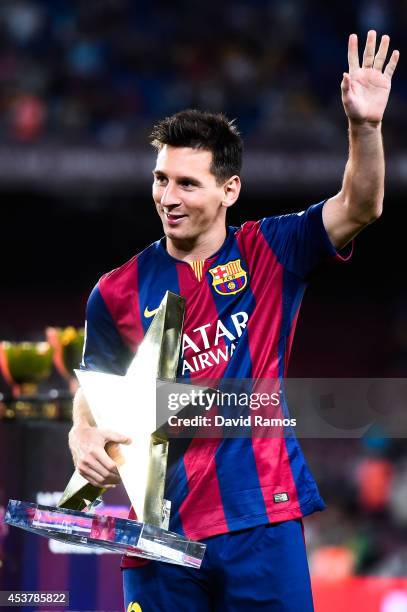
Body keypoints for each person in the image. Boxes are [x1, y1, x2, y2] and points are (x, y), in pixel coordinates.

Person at [69, 31, 399, 611]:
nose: (168, 196)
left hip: (261, 521)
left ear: (229, 189)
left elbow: (361, 206)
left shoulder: (272, 251)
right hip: (159, 536)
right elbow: (94, 384)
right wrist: (82, 432)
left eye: (187, 184)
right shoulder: (116, 290)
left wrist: (365, 128)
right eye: (161, 179)